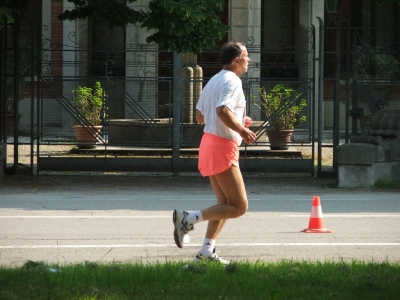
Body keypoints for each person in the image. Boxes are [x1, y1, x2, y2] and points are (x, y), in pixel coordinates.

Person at [173, 41, 257, 264]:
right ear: (236, 60)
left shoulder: (214, 80)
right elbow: (221, 111)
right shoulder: (233, 81)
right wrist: (242, 129)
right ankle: (189, 218)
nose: (249, 60)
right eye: (247, 57)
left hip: (209, 143)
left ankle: (207, 251)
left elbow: (201, 117)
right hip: (222, 145)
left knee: (223, 205)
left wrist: (238, 120)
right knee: (239, 207)